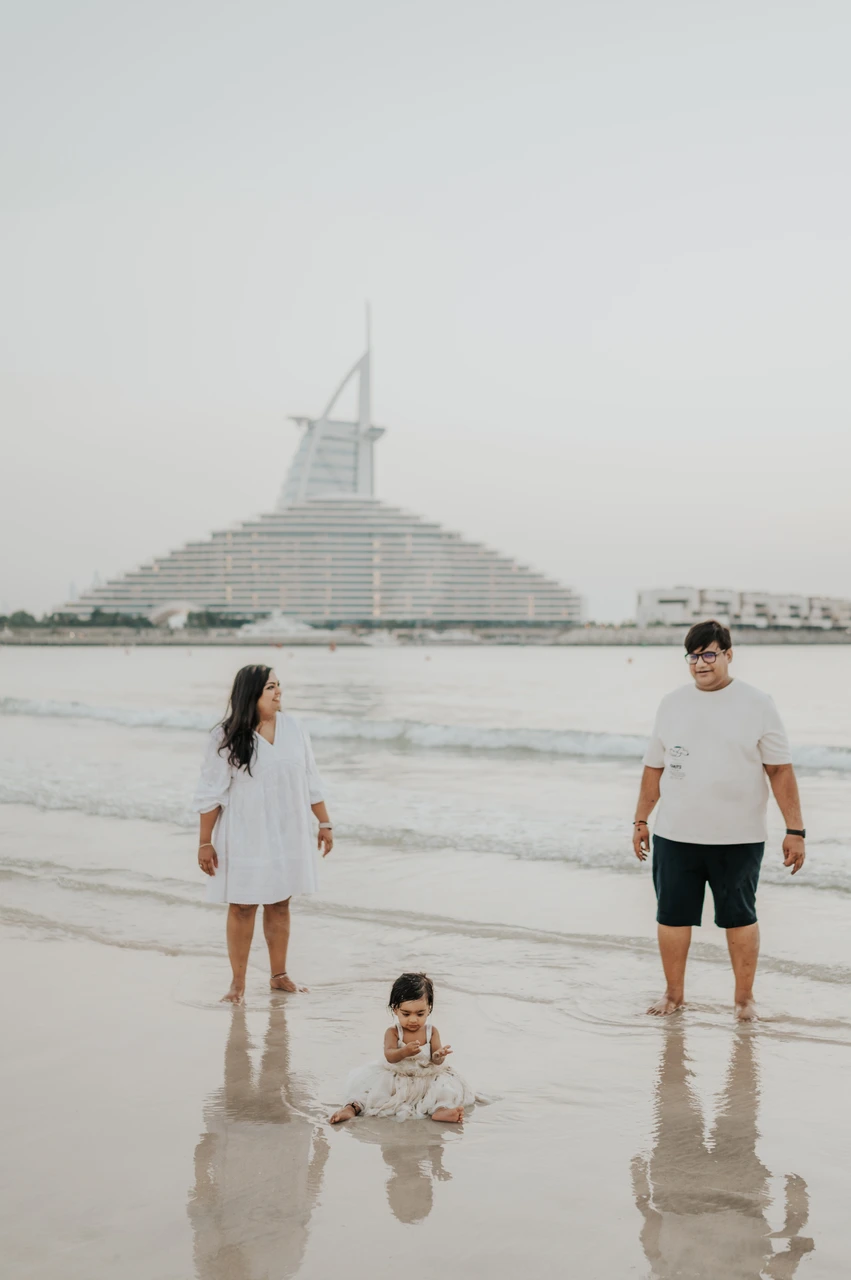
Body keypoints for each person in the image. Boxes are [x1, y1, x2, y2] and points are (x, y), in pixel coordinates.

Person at [633, 619, 806, 1021]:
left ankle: (744, 1000)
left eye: (709, 654)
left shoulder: (757, 703)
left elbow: (780, 770)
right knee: (672, 917)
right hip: (676, 833)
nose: (700, 663)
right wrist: (641, 820)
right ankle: (673, 995)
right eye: (693, 656)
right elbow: (653, 767)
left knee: (739, 917)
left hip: (738, 835)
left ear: (728, 654)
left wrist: (795, 830)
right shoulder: (672, 703)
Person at [193, 664, 333, 1003]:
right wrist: (205, 842)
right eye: (271, 687)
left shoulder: (295, 728)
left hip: (288, 830)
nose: (278, 692)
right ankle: (237, 984)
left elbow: (311, 779)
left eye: (278, 685)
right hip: (245, 831)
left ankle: (279, 975)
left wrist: (325, 823)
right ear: (251, 694)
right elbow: (210, 792)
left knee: (280, 902)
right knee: (242, 905)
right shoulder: (225, 736)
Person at [631, 1027, 814, 1278]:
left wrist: (797, 1223)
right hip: (687, 1197)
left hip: (732, 1199)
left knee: (739, 1102)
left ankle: (738, 1035)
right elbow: (652, 1244)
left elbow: (782, 1267)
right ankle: (685, 1033)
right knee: (677, 1098)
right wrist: (641, 1198)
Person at [329, 972, 477, 1125]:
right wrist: (404, 1051)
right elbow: (390, 1056)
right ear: (395, 1009)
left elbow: (436, 1060)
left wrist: (439, 1056)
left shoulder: (431, 1031)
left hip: (426, 1076)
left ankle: (441, 1110)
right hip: (397, 1076)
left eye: (420, 1014)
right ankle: (351, 1108)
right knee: (372, 1093)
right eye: (406, 1014)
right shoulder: (393, 1032)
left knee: (443, 1091)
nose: (413, 1019)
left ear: (429, 1009)